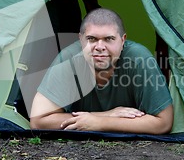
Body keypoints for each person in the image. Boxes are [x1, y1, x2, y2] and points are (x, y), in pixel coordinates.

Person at [29, 8, 173, 134]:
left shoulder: (139, 59)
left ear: (123, 40)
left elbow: (164, 122)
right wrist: (104, 116)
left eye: (109, 39)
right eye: (91, 39)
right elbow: (38, 120)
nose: (99, 46)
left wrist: (99, 123)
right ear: (81, 39)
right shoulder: (69, 59)